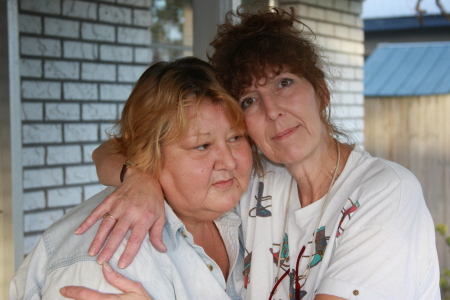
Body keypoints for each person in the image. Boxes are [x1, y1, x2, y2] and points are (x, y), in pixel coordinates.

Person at [73, 6, 440, 300]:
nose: (272, 110)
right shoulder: (259, 182)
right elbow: (108, 150)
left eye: (285, 82)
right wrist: (139, 179)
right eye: (250, 99)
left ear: (322, 93)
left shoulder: (386, 191)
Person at [10, 57, 253, 300]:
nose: (229, 162)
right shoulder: (108, 262)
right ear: (150, 152)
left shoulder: (245, 210)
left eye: (236, 137)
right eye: (202, 146)